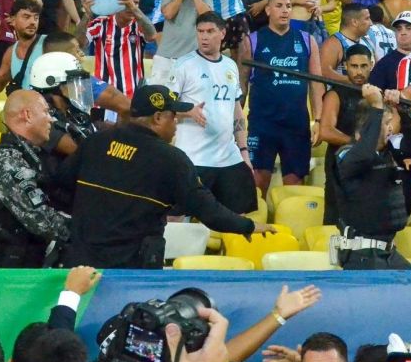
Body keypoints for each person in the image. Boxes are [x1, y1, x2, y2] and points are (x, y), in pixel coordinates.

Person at [56, 84, 273, 268]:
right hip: (131, 268)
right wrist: (247, 225)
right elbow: (206, 209)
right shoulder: (171, 160)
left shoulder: (96, 142)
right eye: (174, 117)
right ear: (158, 117)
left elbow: (61, 186)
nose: (176, 124)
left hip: (80, 263)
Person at [0, 90, 71, 268]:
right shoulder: (5, 161)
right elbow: (42, 221)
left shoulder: (26, 157)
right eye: (46, 112)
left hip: (12, 273)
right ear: (27, 115)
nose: (51, 119)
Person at [170, 12, 257, 216]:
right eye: (200, 32)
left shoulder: (230, 66)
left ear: (222, 33)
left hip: (228, 156)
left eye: (210, 31)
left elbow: (236, 112)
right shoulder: (184, 65)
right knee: (177, 217)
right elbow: (165, 106)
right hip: (194, 157)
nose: (204, 36)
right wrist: (187, 110)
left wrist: (243, 151)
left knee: (238, 217)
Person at [333, 83, 411, 269]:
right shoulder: (347, 156)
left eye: (390, 122)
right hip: (362, 255)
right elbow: (365, 154)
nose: (390, 129)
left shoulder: (388, 152)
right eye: (385, 123)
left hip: (388, 253)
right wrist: (376, 107)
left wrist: (403, 109)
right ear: (363, 130)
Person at [245, 0, 323, 197]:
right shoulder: (253, 40)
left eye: (288, 6)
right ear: (268, 10)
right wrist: (235, 121)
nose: (285, 10)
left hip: (295, 123)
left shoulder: (307, 40)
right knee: (257, 180)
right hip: (263, 122)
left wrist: (319, 119)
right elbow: (241, 84)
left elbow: (317, 83)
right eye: (279, 5)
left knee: (295, 184)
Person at [320, 45, 374, 224]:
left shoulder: (375, 95)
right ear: (346, 66)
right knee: (335, 222)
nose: (359, 72)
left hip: (368, 166)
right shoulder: (336, 94)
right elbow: (326, 131)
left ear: (371, 65)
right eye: (354, 66)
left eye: (363, 66)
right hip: (339, 167)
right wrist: (357, 144)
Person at [77, 0, 157, 99]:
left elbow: (152, 35)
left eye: (135, 2)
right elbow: (79, 42)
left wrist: (133, 8)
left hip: (133, 95)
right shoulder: (101, 23)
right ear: (115, 4)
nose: (130, 6)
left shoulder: (139, 25)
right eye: (125, 3)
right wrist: (87, 15)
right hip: (105, 96)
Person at [152, 0, 213, 86]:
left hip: (193, 56)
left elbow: (206, 17)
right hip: (166, 55)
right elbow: (168, 14)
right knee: (158, 98)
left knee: (189, 98)